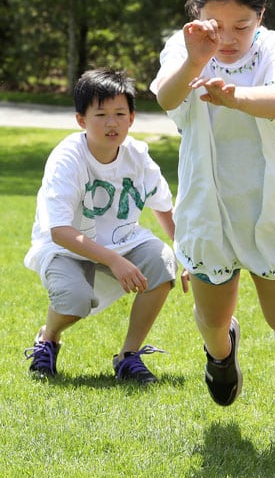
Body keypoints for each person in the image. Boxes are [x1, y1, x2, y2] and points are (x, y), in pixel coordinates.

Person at [151, 0, 275, 407]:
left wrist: (235, 97)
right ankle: (221, 356)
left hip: (268, 206)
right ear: (197, 12)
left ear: (260, 15)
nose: (227, 38)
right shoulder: (183, 46)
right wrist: (194, 61)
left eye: (241, 26)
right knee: (213, 320)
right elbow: (166, 97)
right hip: (207, 209)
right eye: (215, 25)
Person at [23, 68, 187, 382]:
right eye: (100, 115)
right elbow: (59, 231)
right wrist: (114, 261)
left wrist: (188, 257)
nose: (112, 123)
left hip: (123, 242)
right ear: (81, 120)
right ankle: (48, 338)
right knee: (74, 301)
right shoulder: (67, 158)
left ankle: (128, 356)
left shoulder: (137, 155)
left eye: (119, 114)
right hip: (65, 248)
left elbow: (164, 208)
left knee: (163, 261)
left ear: (132, 118)